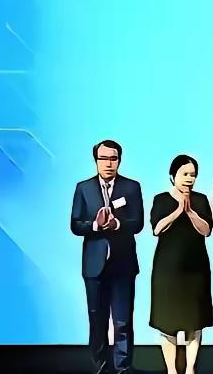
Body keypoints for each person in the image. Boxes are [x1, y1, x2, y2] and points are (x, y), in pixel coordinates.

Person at [71, 139, 144, 374]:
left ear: (119, 161)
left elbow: (138, 223)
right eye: (103, 158)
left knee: (123, 321)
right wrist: (95, 225)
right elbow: (75, 224)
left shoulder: (131, 187)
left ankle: (123, 367)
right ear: (96, 160)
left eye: (113, 158)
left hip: (123, 265)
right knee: (97, 320)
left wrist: (116, 224)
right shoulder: (84, 188)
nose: (108, 163)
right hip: (94, 266)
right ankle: (101, 366)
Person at [149, 154, 213, 374]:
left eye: (193, 175)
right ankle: (171, 369)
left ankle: (189, 369)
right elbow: (157, 229)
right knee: (167, 322)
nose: (189, 179)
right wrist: (178, 211)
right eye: (185, 174)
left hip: (196, 269)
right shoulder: (161, 199)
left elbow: (206, 230)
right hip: (167, 270)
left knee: (195, 322)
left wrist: (190, 212)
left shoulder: (201, 200)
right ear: (173, 176)